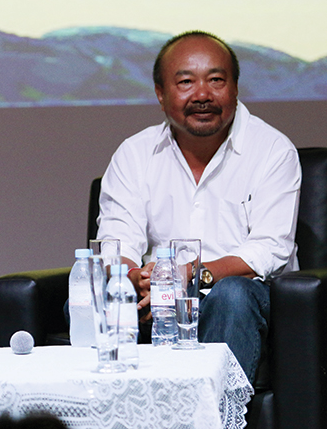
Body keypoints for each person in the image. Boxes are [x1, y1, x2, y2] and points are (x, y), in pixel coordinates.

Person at [96, 30, 300, 383]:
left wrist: (192, 274)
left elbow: (270, 250)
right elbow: (118, 241)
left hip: (245, 296)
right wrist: (135, 279)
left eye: (216, 80)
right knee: (93, 298)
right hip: (157, 301)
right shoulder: (134, 153)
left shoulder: (272, 150)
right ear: (161, 94)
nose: (203, 95)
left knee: (231, 296)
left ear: (235, 89)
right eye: (186, 82)